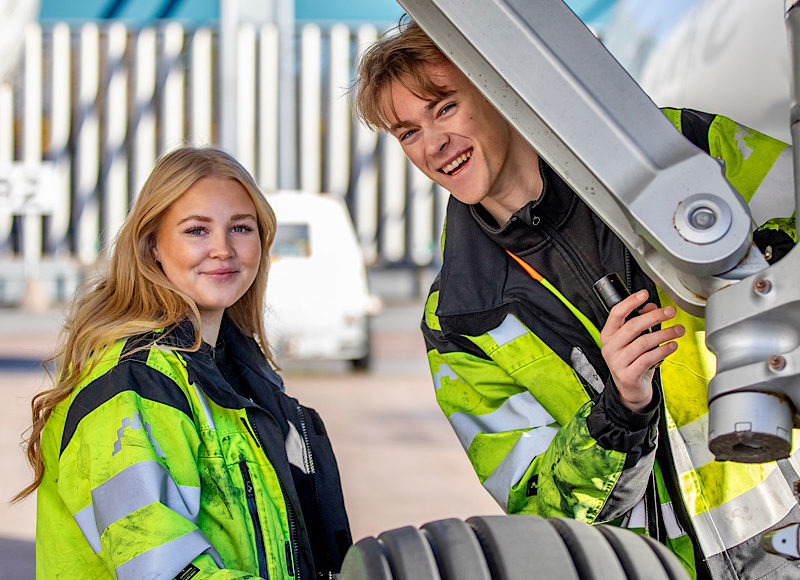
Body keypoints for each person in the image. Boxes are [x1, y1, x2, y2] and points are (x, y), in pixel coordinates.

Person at [353, 17, 798, 580]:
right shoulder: (458, 318)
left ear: (498, 88)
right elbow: (539, 509)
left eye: (444, 108)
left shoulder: (671, 153)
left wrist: (765, 263)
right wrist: (620, 409)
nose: (434, 145)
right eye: (408, 132)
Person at [15, 147, 352, 579]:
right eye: (196, 230)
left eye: (241, 228)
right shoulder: (133, 386)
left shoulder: (240, 376)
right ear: (152, 244)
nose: (222, 249)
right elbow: (161, 567)